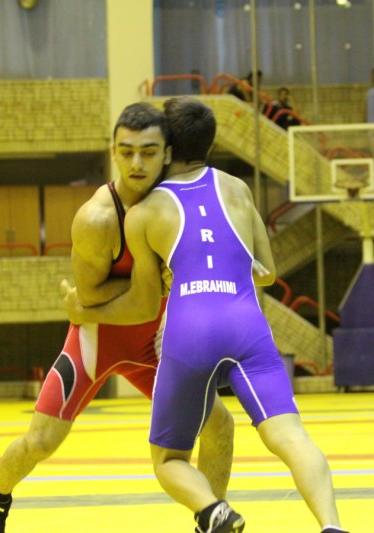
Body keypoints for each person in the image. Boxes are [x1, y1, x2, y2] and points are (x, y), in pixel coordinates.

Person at [62, 96, 347, 533]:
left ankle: (214, 511)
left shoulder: (143, 213)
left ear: (168, 149)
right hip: (246, 325)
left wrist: (85, 309)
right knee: (292, 438)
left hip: (189, 333)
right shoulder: (237, 189)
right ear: (209, 144)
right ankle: (332, 525)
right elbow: (267, 273)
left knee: (168, 460)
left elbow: (143, 304)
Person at [0, 103, 235, 533]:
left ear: (168, 153)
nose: (137, 163)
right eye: (126, 151)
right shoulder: (97, 218)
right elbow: (90, 297)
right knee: (40, 441)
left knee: (220, 425)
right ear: (113, 151)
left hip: (153, 344)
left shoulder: (175, 201)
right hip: (96, 342)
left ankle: (212, 521)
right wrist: (157, 287)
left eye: (148, 152)